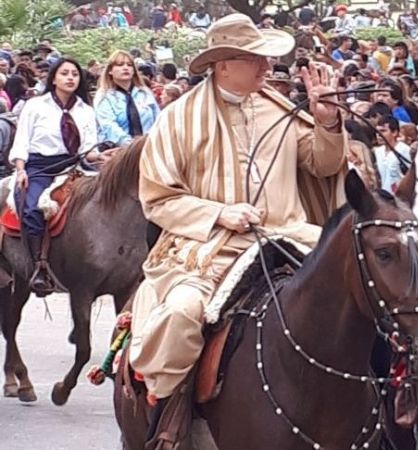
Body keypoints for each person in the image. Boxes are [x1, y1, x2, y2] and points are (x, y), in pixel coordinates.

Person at [128, 13, 346, 438]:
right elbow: (157, 198)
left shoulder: (279, 108)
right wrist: (217, 213)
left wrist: (326, 121)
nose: (268, 66)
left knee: (366, 289)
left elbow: (323, 165)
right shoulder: (177, 118)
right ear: (223, 65)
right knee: (181, 313)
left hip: (289, 236)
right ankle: (168, 417)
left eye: (266, 57)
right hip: (207, 248)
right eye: (255, 58)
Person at [8, 58, 102, 296]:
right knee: (32, 209)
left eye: (75, 74)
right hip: (40, 167)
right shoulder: (35, 106)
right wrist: (21, 170)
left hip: (75, 166)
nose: (70, 78)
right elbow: (22, 141)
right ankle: (38, 266)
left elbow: (88, 149)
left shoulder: (86, 110)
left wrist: (102, 157)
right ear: (54, 78)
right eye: (65, 73)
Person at [94, 50, 160, 148]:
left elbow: (158, 118)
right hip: (118, 149)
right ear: (110, 71)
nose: (125, 68)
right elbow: (108, 125)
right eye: (120, 65)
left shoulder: (144, 92)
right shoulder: (103, 96)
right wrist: (130, 145)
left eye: (129, 65)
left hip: (149, 145)